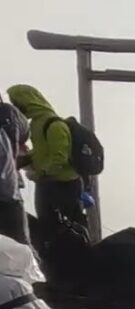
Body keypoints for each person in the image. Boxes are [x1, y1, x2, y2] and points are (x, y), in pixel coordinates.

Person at [4, 85, 89, 251]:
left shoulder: (53, 124)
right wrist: (26, 160)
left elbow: (59, 157)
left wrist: (41, 172)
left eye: (17, 102)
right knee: (47, 227)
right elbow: (43, 152)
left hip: (64, 184)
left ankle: (79, 260)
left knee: (71, 228)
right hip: (46, 184)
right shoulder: (35, 124)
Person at [0, 95, 31, 245]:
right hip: (10, 193)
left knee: (20, 246)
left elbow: (9, 155)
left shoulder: (6, 114)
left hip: (8, 195)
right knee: (20, 245)